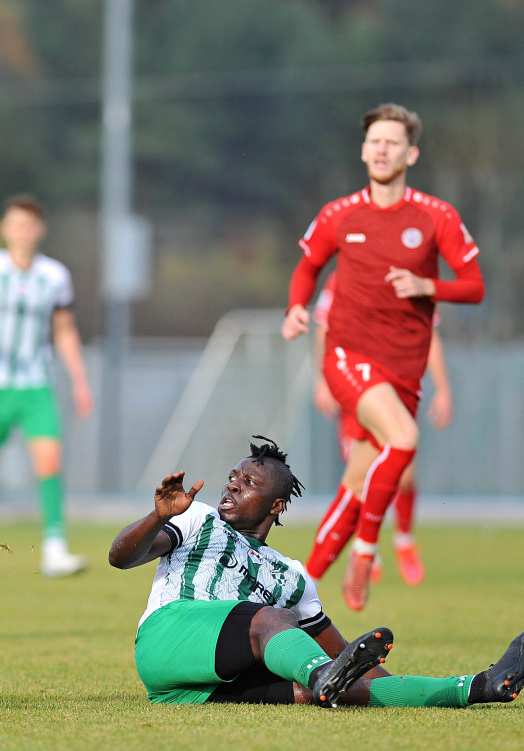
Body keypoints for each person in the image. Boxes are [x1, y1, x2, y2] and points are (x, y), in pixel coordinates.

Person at [108, 437, 524, 707]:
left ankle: (478, 686)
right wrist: (157, 516)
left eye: (249, 482)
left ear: (276, 506)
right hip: (166, 642)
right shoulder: (198, 517)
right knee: (278, 625)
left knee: (342, 689)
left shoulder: (292, 577)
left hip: (199, 688)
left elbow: (345, 656)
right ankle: (321, 676)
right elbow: (121, 557)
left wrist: (377, 680)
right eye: (233, 477)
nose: (232, 485)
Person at [281, 103, 484, 611]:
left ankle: (295, 591)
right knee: (405, 439)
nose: (382, 149)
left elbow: (474, 286)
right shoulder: (339, 213)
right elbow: (307, 267)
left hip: (404, 371)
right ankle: (366, 553)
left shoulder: (436, 215)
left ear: (410, 154)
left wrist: (427, 285)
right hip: (348, 356)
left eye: (392, 142)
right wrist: (296, 307)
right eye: (374, 140)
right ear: (363, 150)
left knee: (356, 484)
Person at [0, 194, 94, 581]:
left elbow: (64, 330)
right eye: (16, 224)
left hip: (36, 383)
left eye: (29, 225)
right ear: (5, 228)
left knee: (50, 460)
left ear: (40, 230)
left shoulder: (55, 275)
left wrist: (79, 380)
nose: (22, 232)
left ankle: (54, 549)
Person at [306, 271, 453, 586]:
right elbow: (324, 328)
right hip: (356, 384)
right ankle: (359, 554)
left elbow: (430, 335)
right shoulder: (344, 276)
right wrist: (322, 379)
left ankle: (399, 540)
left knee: (400, 471)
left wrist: (443, 387)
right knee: (359, 478)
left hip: (397, 386)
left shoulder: (411, 277)